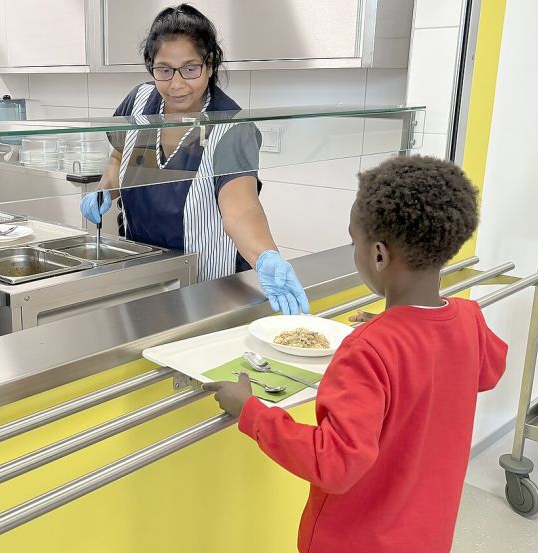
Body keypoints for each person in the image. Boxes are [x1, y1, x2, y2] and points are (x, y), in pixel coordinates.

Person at [204, 155, 508, 552]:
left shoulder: (368, 349)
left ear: (379, 255)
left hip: (357, 540)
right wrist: (395, 323)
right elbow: (487, 369)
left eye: (354, 241)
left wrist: (251, 412)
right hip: (427, 533)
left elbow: (334, 464)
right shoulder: (468, 317)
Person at [80, 4, 308, 315]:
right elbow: (119, 155)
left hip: (208, 287)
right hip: (142, 278)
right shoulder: (138, 102)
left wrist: (266, 256)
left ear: (210, 64)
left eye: (190, 69)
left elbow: (241, 208)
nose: (176, 84)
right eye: (164, 69)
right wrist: (107, 189)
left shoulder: (230, 127)